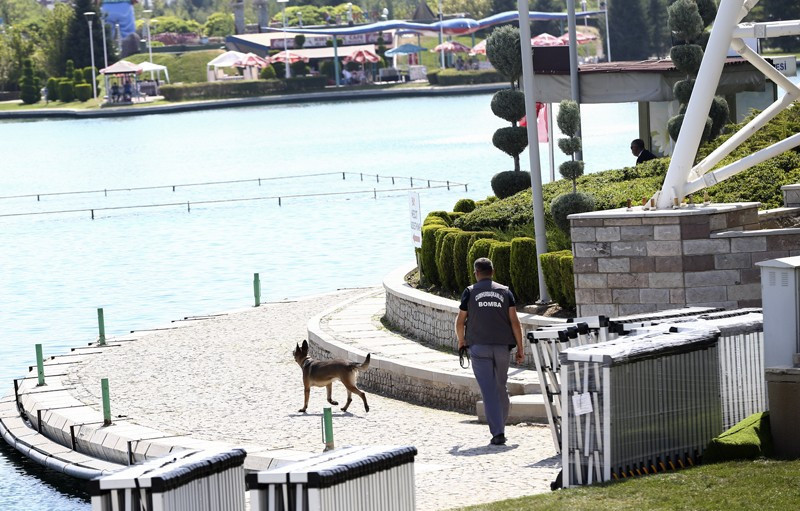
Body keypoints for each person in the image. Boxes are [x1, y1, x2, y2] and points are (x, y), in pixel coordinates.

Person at [455, 257, 524, 446]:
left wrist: (461, 341)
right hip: (502, 347)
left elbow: (460, 321)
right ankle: (500, 427)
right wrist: (521, 348)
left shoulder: (469, 292)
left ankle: (498, 432)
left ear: (476, 273)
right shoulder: (505, 292)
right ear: (492, 272)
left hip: (479, 348)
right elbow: (515, 322)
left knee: (489, 391)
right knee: (501, 387)